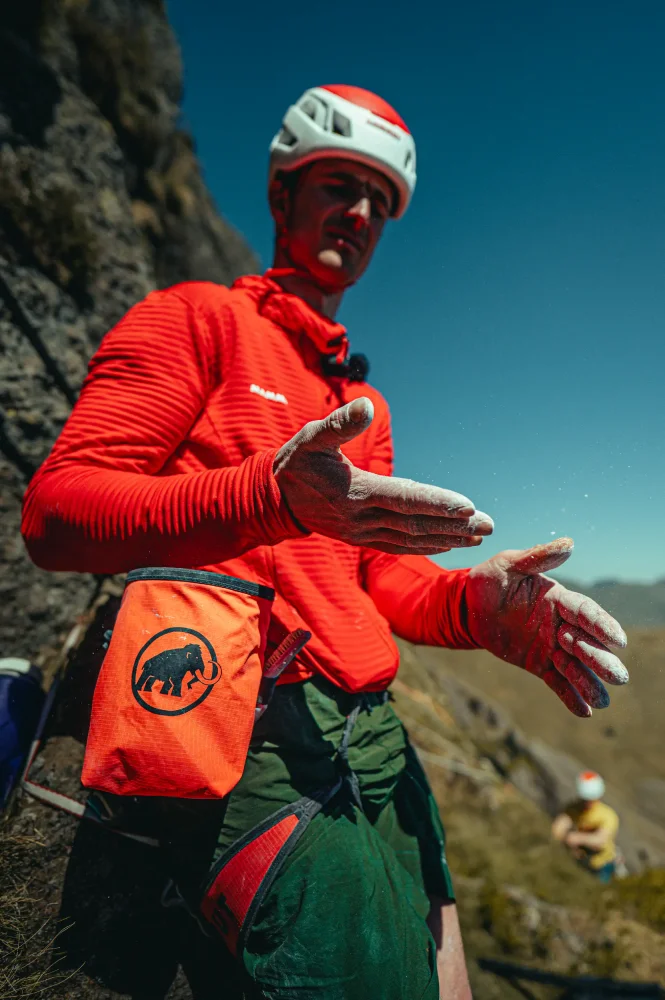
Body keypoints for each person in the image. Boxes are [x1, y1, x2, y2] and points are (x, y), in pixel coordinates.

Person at [21, 84, 630, 999]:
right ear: (279, 196)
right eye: (338, 185)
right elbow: (57, 514)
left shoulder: (361, 405)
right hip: (251, 733)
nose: (358, 213)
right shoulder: (195, 319)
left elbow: (379, 579)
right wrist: (268, 498)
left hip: (377, 734)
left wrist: (477, 606)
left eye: (378, 204)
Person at [552, 771, 620, 883]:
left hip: (602, 865)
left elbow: (600, 841)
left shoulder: (608, 815)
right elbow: (558, 828)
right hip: (580, 861)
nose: (588, 803)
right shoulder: (573, 808)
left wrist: (576, 838)